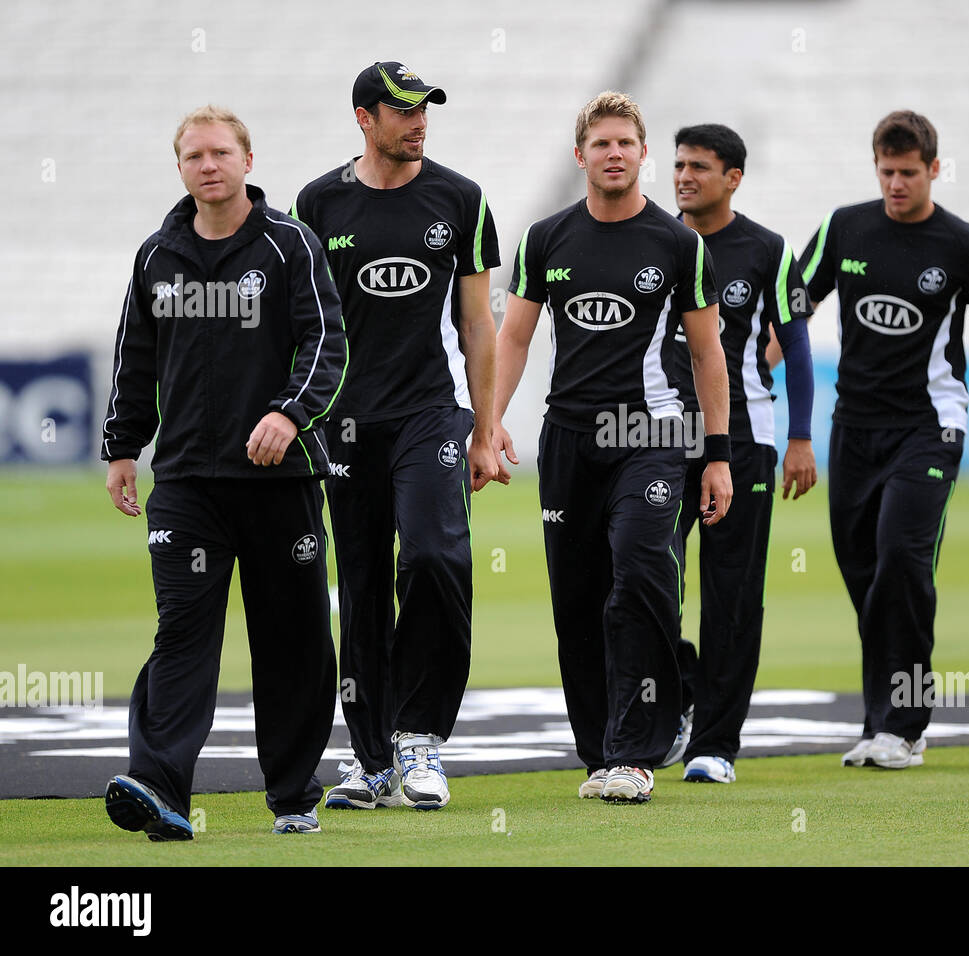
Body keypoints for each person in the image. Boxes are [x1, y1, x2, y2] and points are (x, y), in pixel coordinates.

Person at [101, 105, 347, 838]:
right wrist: (122, 446)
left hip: (282, 481)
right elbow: (135, 358)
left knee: (293, 638)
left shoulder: (289, 246)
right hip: (186, 486)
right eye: (193, 156)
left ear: (246, 160)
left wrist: (289, 413)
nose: (207, 166)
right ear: (180, 168)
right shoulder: (156, 256)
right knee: (180, 632)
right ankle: (160, 788)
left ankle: (294, 794)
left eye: (219, 153)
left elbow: (326, 344)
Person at [493, 91, 733, 803]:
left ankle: (637, 749)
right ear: (582, 156)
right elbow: (513, 335)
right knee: (578, 601)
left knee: (639, 570)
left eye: (626, 142)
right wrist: (489, 422)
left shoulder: (678, 245)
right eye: (601, 143)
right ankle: (600, 750)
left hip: (654, 435)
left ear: (643, 152)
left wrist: (715, 453)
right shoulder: (544, 239)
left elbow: (708, 354)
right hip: (569, 440)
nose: (615, 153)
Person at [291, 61, 500, 811]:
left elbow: (478, 323)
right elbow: (304, 322)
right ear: (363, 117)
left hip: (430, 415)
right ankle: (372, 759)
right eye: (402, 109)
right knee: (364, 590)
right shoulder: (316, 202)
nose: (418, 121)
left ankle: (420, 739)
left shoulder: (461, 199)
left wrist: (486, 426)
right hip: (342, 425)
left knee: (438, 556)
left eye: (424, 110)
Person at [797, 110, 969, 770]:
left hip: (930, 427)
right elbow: (796, 308)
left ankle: (904, 725)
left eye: (908, 173)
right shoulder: (844, 228)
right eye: (886, 171)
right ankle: (882, 722)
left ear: (934, 169)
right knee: (865, 576)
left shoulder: (964, 246)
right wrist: (758, 369)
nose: (896, 184)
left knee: (901, 560)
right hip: (853, 427)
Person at [664, 123, 816, 784]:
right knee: (639, 584)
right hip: (657, 441)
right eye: (678, 164)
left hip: (745, 441)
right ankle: (680, 687)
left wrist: (802, 437)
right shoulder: (652, 239)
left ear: (734, 178)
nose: (684, 176)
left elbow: (798, 347)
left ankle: (715, 745)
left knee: (732, 595)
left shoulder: (768, 251)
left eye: (700, 165)